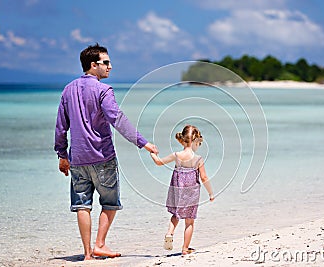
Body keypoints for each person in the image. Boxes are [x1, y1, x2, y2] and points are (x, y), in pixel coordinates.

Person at [54, 43, 158, 260]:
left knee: (82, 205)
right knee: (110, 203)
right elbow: (117, 120)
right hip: (103, 158)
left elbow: (61, 127)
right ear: (94, 65)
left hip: (78, 159)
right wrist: (143, 143)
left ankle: (87, 254)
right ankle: (99, 244)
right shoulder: (104, 90)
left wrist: (62, 155)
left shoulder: (68, 90)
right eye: (106, 63)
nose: (110, 67)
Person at [150, 125, 214, 255]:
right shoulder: (198, 159)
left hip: (177, 190)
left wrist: (152, 154)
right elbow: (204, 177)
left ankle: (169, 233)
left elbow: (159, 162)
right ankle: (185, 248)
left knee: (176, 215)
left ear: (184, 139)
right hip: (192, 192)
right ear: (196, 141)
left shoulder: (177, 155)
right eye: (199, 143)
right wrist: (210, 193)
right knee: (189, 220)